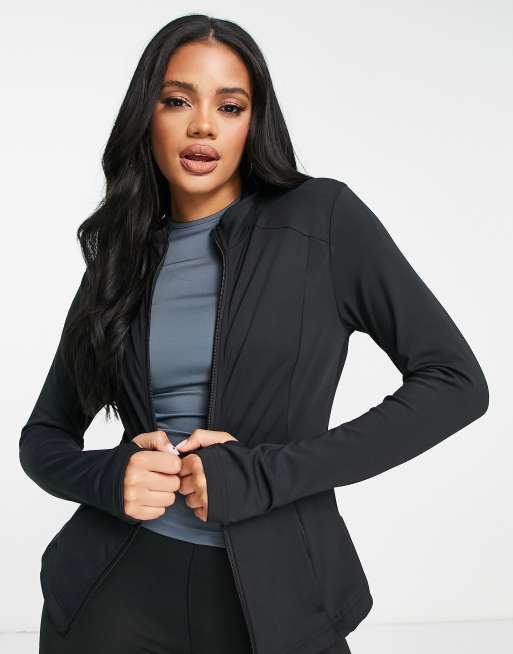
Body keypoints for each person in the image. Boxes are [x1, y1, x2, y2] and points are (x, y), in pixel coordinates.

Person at [19, 14, 489, 654]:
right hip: (113, 597)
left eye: (230, 106)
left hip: (278, 597)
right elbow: (43, 437)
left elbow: (456, 384)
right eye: (177, 100)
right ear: (146, 116)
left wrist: (266, 472)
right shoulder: (120, 260)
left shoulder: (322, 220)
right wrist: (111, 476)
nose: (203, 126)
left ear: (254, 122)